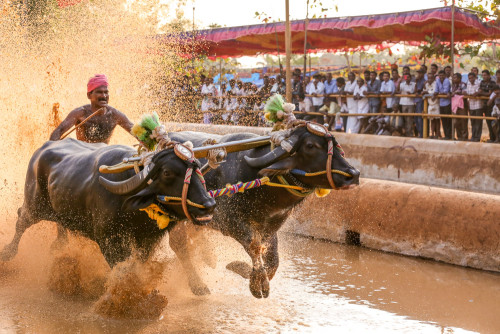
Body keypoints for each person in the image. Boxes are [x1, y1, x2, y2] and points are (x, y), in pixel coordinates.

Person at [50, 74, 133, 144]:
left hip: (103, 155)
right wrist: (52, 149)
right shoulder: (80, 113)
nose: (104, 96)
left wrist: (145, 142)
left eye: (106, 92)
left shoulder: (114, 115)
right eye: (99, 92)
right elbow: (59, 131)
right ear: (89, 95)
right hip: (83, 155)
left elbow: (135, 131)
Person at [479, 69, 497, 142]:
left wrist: (481, 93)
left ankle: (495, 138)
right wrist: (484, 93)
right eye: (483, 75)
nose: (484, 76)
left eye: (485, 75)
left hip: (491, 106)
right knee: (488, 122)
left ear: (489, 75)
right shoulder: (482, 82)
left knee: (492, 122)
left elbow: (490, 93)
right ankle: (492, 137)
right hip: (484, 105)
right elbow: (481, 91)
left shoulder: (492, 83)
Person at [435, 70, 452, 139]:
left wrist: (438, 93)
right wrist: (437, 93)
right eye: (440, 75)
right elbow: (436, 91)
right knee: (443, 120)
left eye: (442, 75)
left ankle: (449, 135)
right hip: (441, 103)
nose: (441, 77)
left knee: (448, 120)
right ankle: (446, 135)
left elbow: (445, 91)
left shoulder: (447, 81)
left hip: (447, 103)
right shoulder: (437, 81)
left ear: (445, 75)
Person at [423, 74, 441, 138]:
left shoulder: (436, 83)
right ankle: (432, 134)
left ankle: (438, 134)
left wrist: (427, 92)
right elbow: (424, 91)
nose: (429, 79)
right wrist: (425, 90)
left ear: (433, 78)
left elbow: (435, 92)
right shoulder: (426, 84)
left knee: (437, 120)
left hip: (436, 104)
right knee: (432, 120)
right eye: (428, 78)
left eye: (431, 78)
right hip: (430, 104)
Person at [466, 72, 483, 142]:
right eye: (469, 78)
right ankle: (473, 136)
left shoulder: (479, 83)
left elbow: (478, 92)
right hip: (471, 105)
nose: (470, 79)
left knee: (478, 122)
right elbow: (469, 92)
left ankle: (477, 137)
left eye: (472, 78)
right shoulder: (468, 83)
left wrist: (476, 93)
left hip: (478, 105)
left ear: (475, 77)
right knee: (473, 122)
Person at [451, 73, 468, 140]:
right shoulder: (453, 85)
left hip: (462, 105)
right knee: (456, 122)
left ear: (459, 78)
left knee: (463, 121)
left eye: (455, 78)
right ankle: (459, 136)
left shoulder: (463, 84)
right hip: (455, 106)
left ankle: (464, 136)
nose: (454, 79)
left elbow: (464, 92)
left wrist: (456, 93)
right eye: (453, 78)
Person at [414, 68, 427, 137]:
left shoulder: (424, 81)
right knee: (416, 118)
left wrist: (417, 91)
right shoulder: (417, 81)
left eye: (420, 73)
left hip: (421, 101)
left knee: (420, 118)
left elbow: (420, 90)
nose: (419, 74)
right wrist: (416, 83)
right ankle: (420, 132)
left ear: (423, 74)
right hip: (416, 100)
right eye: (418, 73)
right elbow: (415, 90)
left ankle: (422, 133)